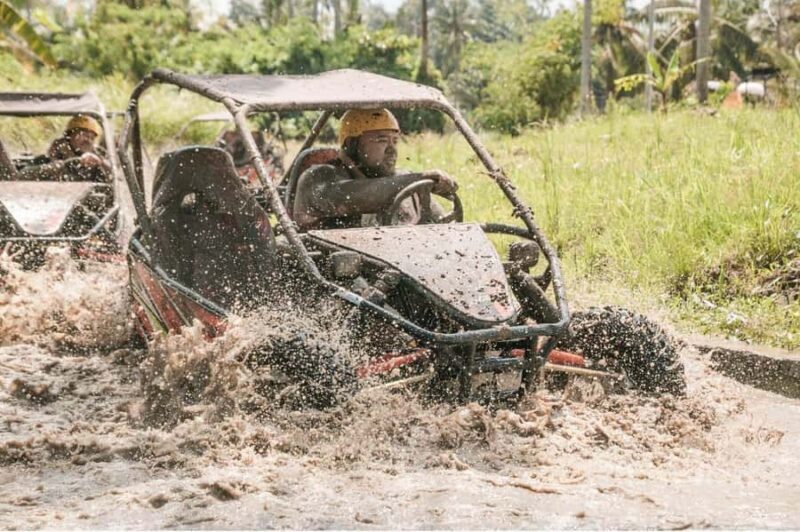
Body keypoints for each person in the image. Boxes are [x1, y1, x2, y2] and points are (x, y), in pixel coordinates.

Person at [292, 108, 458, 231]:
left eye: (395, 141)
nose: (392, 149)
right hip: (334, 272)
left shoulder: (407, 181)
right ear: (351, 145)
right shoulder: (319, 177)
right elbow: (356, 197)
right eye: (381, 140)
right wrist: (419, 178)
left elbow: (445, 227)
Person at [20, 114, 109, 181]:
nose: (88, 140)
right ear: (69, 136)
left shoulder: (97, 161)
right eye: (84, 135)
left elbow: (117, 178)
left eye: (91, 137)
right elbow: (21, 175)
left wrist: (100, 163)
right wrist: (49, 169)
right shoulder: (46, 160)